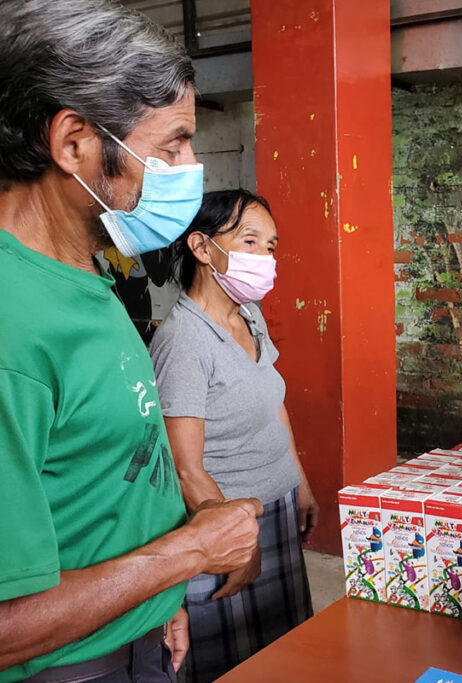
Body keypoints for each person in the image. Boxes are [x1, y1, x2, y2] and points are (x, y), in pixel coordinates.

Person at [0, 2, 263, 682]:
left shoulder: (86, 271)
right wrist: (186, 553)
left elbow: (97, 477)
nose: (191, 166)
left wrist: (153, 597)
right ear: (74, 143)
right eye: (172, 144)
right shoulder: (12, 326)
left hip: (135, 632)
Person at [150, 190, 317, 683]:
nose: (265, 257)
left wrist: (299, 482)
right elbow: (185, 468)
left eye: (270, 246)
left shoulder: (248, 314)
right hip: (226, 524)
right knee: (236, 665)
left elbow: (272, 402)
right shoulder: (184, 341)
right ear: (202, 248)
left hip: (277, 510)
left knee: (286, 653)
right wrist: (238, 544)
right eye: (250, 241)